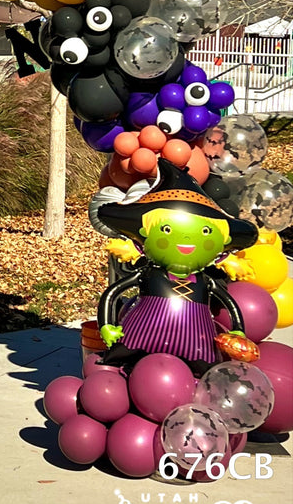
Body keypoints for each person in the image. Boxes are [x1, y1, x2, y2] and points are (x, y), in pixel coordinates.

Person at [96, 159, 258, 376]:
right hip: (141, 332)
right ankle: (118, 359)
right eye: (166, 229)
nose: (187, 241)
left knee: (206, 364)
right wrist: (106, 325)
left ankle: (203, 370)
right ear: (142, 237)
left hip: (196, 339)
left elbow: (229, 304)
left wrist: (238, 330)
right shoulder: (148, 273)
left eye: (207, 232)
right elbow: (113, 293)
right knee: (124, 348)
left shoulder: (205, 280)